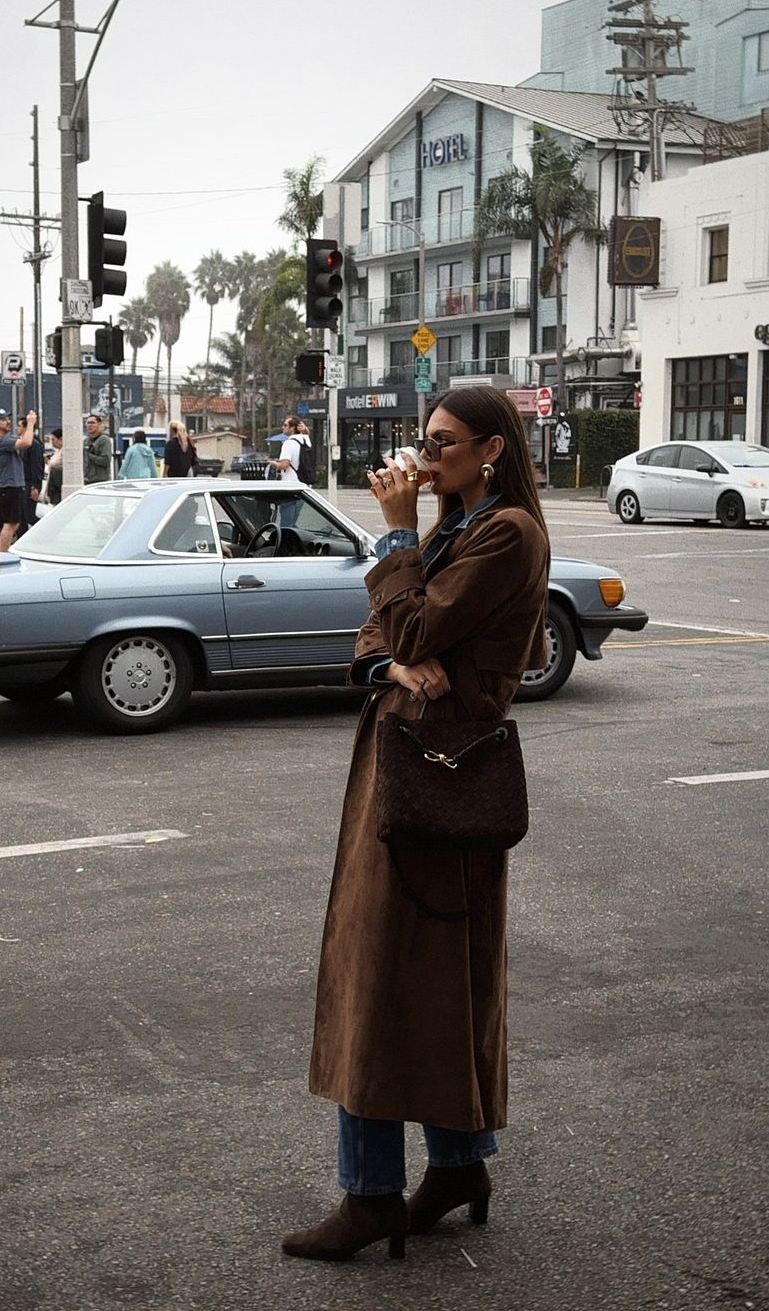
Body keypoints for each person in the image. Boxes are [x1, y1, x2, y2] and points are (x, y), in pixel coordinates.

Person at [282, 386, 550, 1263]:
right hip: (403, 766)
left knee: (392, 976)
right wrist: (397, 659)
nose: (422, 456)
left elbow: (418, 616)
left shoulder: (506, 534)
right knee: (415, 973)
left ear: (491, 451)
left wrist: (396, 541)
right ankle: (461, 1165)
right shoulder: (454, 531)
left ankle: (369, 1195)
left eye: (441, 442)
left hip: (446, 777)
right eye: (420, 440)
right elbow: (376, 634)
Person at [0, 408, 36, 552]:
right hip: (8, 486)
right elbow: (27, 442)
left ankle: (2, 552)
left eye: (8, 419)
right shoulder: (0, 440)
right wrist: (31, 423)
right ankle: (1, 554)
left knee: (14, 523)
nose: (8, 422)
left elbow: (23, 440)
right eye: (4, 420)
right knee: (10, 523)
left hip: (13, 485)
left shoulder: (7, 439)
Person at [18, 413, 46, 531]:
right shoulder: (24, 443)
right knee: (22, 516)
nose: (17, 428)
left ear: (26, 427)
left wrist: (35, 486)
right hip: (24, 482)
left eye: (19, 426)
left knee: (28, 515)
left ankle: (47, 530)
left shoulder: (34, 444)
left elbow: (37, 465)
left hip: (30, 482)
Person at [84, 414, 113, 484]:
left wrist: (89, 455)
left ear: (99, 424)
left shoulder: (104, 439)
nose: (90, 425)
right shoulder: (86, 441)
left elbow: (105, 460)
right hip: (87, 481)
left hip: (100, 481)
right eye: (88, 423)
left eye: (92, 423)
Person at [46, 427, 63, 504]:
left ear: (61, 439)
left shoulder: (63, 453)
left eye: (53, 440)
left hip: (57, 486)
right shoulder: (57, 452)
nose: (52, 442)